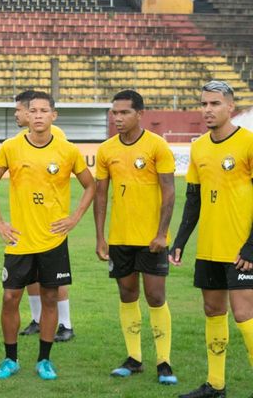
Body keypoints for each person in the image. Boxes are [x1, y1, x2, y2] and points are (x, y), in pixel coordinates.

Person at [0, 91, 94, 381]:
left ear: (53, 116)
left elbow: (90, 186)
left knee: (49, 298)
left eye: (44, 111)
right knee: (10, 298)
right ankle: (10, 359)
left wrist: (74, 218)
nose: (38, 115)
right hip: (19, 239)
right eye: (33, 111)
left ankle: (44, 360)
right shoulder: (11, 147)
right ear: (27, 115)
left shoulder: (68, 151)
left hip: (52, 240)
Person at [171, 81, 253, 398]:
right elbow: (194, 199)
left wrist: (251, 245)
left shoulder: (247, 143)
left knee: (245, 315)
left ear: (230, 107)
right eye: (204, 104)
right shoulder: (199, 147)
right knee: (212, 310)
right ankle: (215, 384)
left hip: (241, 249)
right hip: (209, 247)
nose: (208, 110)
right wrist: (179, 240)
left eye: (215, 104)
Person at [94, 90, 177, 384]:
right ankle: (134, 358)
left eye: (124, 112)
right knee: (127, 294)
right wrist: (100, 237)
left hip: (151, 239)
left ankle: (164, 362)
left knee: (155, 296)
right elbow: (101, 196)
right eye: (114, 112)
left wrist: (162, 233)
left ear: (140, 114)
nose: (117, 118)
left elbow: (169, 192)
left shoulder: (157, 146)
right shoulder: (106, 150)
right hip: (120, 238)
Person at [13, 90, 74, 341]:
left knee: (53, 279)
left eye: (18, 109)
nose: (17, 114)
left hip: (50, 221)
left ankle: (65, 324)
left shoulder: (54, 135)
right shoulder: (20, 140)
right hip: (27, 221)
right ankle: (38, 320)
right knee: (31, 277)